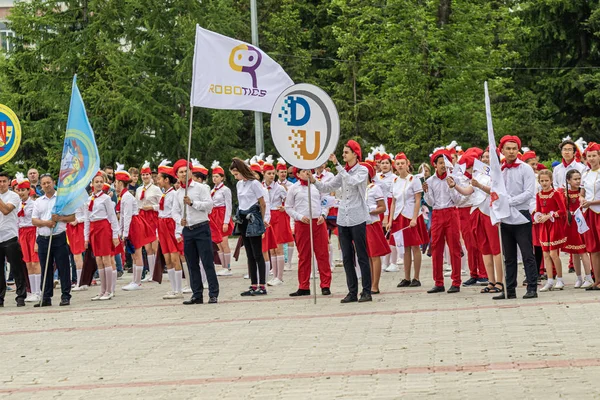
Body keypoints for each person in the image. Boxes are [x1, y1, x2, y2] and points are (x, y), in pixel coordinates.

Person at [311, 140, 372, 304]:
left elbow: (353, 181)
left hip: (357, 217)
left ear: (355, 154)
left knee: (362, 255)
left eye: (346, 152)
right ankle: (352, 291)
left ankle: (367, 291)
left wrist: (337, 164)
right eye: (343, 152)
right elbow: (327, 187)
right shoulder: (342, 171)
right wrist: (314, 180)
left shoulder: (362, 170)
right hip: (343, 218)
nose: (343, 155)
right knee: (346, 257)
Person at [453, 151, 504, 295]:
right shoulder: (478, 173)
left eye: (489, 156)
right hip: (477, 212)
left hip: (491, 212)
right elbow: (468, 191)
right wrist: (455, 186)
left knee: (496, 248)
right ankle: (491, 281)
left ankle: (500, 281)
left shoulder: (498, 173)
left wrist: (480, 186)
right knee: (484, 248)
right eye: (484, 157)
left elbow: (496, 192)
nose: (486, 159)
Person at [496, 135, 538, 299]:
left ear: (518, 150)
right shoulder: (500, 169)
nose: (511, 151)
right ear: (503, 150)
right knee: (509, 256)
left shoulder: (525, 169)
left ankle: (532, 287)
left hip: (521, 214)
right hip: (505, 216)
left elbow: (528, 193)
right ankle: (510, 289)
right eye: (508, 148)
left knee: (527, 253)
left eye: (514, 148)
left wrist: (509, 202)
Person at [172, 159, 219, 304]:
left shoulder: (201, 188)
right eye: (181, 172)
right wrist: (180, 220)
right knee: (192, 264)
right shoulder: (177, 193)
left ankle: (213, 293)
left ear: (191, 172)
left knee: (207, 262)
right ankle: (197, 294)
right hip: (188, 230)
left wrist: (193, 203)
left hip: (201, 227)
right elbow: (174, 211)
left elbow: (209, 205)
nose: (184, 174)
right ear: (177, 175)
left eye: (186, 171)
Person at [286, 167, 332, 296]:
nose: (307, 173)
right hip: (303, 223)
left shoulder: (317, 185)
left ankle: (325, 285)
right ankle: (304, 286)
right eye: (303, 171)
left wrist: (323, 214)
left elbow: (325, 202)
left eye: (309, 171)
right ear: (298, 174)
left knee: (322, 253)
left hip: (318, 222)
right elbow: (288, 207)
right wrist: (299, 217)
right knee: (304, 255)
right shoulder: (293, 188)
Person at [32, 174, 76, 307]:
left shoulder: (61, 199)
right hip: (43, 238)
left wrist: (60, 218)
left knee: (63, 267)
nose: (46, 185)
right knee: (46, 268)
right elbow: (34, 220)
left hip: (58, 237)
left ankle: (65, 295)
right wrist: (46, 222)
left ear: (53, 183)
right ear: (41, 185)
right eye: (44, 183)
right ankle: (46, 296)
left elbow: (72, 217)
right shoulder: (38, 201)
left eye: (48, 183)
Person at [423, 148, 462, 294]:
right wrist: (426, 192)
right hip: (438, 214)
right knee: (436, 248)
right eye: (440, 163)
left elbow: (458, 199)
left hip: (451, 212)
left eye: (445, 163)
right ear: (435, 164)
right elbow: (431, 203)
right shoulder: (430, 181)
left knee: (454, 248)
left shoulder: (453, 178)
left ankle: (456, 281)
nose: (443, 166)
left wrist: (452, 187)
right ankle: (438, 282)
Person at [386, 153, 428, 288]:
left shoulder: (414, 179)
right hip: (399, 216)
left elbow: (417, 200)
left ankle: (416, 277)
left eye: (402, 163)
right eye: (397, 164)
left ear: (407, 163)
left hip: (411, 215)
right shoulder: (394, 181)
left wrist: (415, 217)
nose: (400, 166)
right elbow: (393, 202)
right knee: (403, 247)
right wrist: (390, 220)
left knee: (415, 246)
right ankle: (406, 277)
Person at [230, 158, 268, 296]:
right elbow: (240, 202)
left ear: (241, 171)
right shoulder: (240, 184)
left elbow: (262, 203)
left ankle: (262, 285)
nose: (235, 177)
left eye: (236, 174)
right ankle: (253, 284)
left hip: (254, 217)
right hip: (243, 218)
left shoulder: (255, 184)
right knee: (249, 254)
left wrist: (262, 221)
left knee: (258, 253)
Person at [115, 166, 155, 293]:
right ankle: (135, 280)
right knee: (133, 254)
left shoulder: (126, 197)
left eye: (116, 182)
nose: (115, 185)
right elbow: (122, 216)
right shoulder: (123, 196)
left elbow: (126, 216)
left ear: (120, 183)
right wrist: (121, 231)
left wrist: (125, 233)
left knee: (136, 253)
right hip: (130, 224)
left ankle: (137, 281)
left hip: (133, 224)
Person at [85, 172, 120, 300]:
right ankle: (102, 290)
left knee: (106, 259)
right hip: (94, 229)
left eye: (101, 181)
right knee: (98, 260)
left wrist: (115, 234)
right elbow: (87, 219)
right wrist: (86, 237)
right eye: (96, 182)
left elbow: (112, 217)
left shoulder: (106, 199)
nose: (99, 184)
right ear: (92, 184)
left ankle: (109, 290)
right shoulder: (88, 200)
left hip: (104, 228)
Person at [534, 170, 567, 291]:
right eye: (542, 181)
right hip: (544, 226)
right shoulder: (538, 195)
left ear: (551, 181)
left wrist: (549, 215)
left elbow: (562, 211)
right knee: (546, 254)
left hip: (554, 225)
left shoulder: (555, 194)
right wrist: (538, 217)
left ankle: (560, 279)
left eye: (546, 180)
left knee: (553, 253)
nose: (544, 183)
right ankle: (549, 280)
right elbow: (538, 210)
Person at [155, 161, 184, 299]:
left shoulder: (174, 194)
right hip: (162, 226)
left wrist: (178, 231)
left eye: (159, 178)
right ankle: (173, 288)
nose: (157, 181)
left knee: (174, 257)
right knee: (167, 259)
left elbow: (177, 213)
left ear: (167, 179)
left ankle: (179, 289)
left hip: (170, 225)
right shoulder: (164, 194)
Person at [0, 171, 27, 307]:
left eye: (4, 181)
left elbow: (6, 210)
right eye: (0, 181)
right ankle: (0, 298)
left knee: (16, 268)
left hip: (10, 236)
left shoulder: (14, 196)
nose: (2, 184)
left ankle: (21, 296)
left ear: (9, 182)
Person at [563, 169, 593, 288]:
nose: (577, 181)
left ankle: (589, 277)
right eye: (575, 179)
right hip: (571, 224)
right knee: (574, 253)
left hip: (582, 223)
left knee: (583, 251)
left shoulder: (583, 192)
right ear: (568, 180)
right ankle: (579, 277)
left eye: (579, 179)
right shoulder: (565, 193)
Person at [362, 162, 389, 294]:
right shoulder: (357, 188)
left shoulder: (375, 188)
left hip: (372, 224)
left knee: (374, 255)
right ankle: (367, 283)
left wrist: (370, 210)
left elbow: (382, 207)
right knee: (365, 256)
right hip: (360, 225)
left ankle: (375, 285)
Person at [14, 173, 41, 302]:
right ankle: (31, 291)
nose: (21, 193)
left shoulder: (34, 204)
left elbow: (37, 221)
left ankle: (38, 291)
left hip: (32, 231)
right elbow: (17, 221)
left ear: (28, 190)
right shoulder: (18, 205)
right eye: (19, 190)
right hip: (22, 233)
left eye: (23, 190)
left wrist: (36, 240)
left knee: (36, 262)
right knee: (28, 263)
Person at [262, 157, 288, 286]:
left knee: (278, 248)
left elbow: (289, 201)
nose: (272, 176)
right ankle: (274, 274)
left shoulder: (280, 188)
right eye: (269, 173)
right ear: (264, 174)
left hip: (278, 216)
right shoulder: (260, 187)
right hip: (267, 217)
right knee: (271, 248)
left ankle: (280, 276)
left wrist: (285, 207)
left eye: (273, 173)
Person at [136, 161, 162, 282]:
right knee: (147, 248)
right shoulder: (138, 189)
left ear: (151, 175)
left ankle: (157, 272)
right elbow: (137, 204)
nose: (145, 177)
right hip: (142, 217)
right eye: (143, 175)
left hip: (153, 216)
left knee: (155, 245)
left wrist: (152, 207)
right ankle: (151, 272)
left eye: (147, 174)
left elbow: (163, 204)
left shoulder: (156, 189)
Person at [580, 143, 600, 291]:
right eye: (589, 156)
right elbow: (582, 194)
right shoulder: (585, 174)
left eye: (594, 155)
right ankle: (597, 280)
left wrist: (591, 202)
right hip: (589, 214)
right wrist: (582, 200)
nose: (591, 159)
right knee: (593, 248)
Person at [210, 161, 234, 276]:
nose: (214, 179)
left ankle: (228, 267)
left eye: (217, 176)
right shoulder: (212, 190)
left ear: (222, 178)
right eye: (213, 176)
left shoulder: (225, 190)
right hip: (214, 217)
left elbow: (229, 206)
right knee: (218, 244)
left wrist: (226, 222)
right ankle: (223, 266)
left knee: (224, 243)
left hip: (222, 215)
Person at [374, 151, 397, 272]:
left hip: (389, 204)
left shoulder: (394, 178)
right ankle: (383, 262)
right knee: (380, 235)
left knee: (390, 234)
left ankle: (392, 262)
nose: (384, 165)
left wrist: (387, 215)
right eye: (382, 163)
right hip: (378, 205)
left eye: (387, 163)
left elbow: (392, 194)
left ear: (391, 165)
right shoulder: (376, 176)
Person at [276, 158, 297, 271]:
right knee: (278, 237)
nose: (283, 174)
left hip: (289, 212)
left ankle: (288, 262)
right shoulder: (274, 185)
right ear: (277, 173)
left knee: (289, 236)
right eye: (281, 172)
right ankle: (280, 261)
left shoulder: (291, 184)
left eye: (285, 171)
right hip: (278, 213)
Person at [68, 204, 87, 291]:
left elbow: (87, 215)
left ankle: (81, 282)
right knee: (75, 256)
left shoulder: (81, 201)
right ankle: (82, 281)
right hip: (69, 227)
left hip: (78, 227)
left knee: (77, 255)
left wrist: (78, 220)